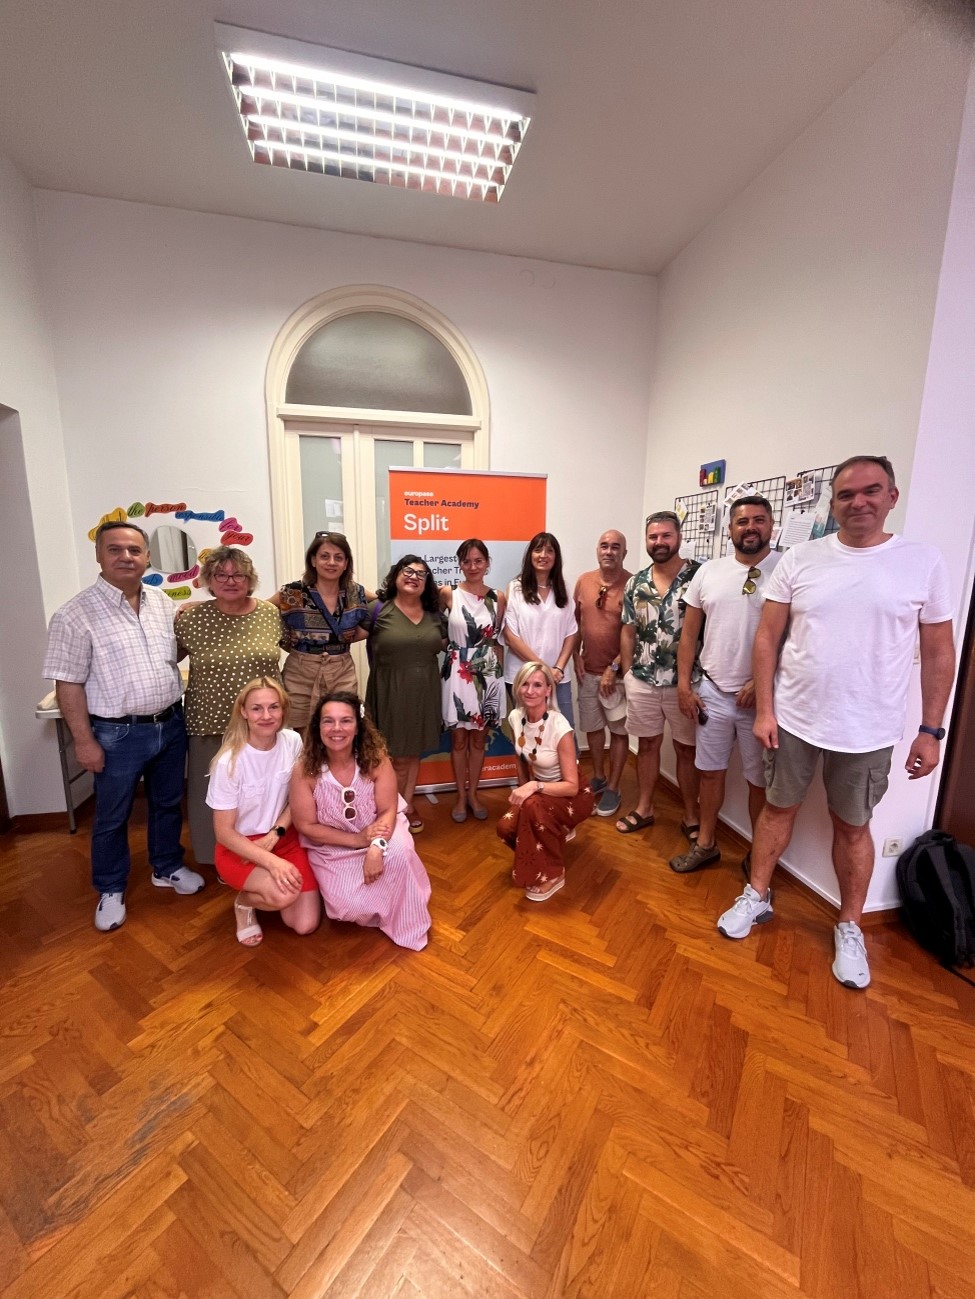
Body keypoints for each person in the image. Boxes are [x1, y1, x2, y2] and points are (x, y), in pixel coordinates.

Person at [716, 456, 955, 990]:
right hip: (794, 719)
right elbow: (767, 638)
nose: (858, 502)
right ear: (833, 502)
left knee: (853, 827)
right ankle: (756, 894)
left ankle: (850, 926)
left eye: (871, 491)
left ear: (892, 497)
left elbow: (940, 652)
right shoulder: (802, 559)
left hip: (868, 728)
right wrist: (767, 710)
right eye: (846, 494)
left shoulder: (922, 562)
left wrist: (931, 730)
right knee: (778, 809)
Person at [42, 521, 204, 931]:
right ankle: (111, 887)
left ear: (147, 556)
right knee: (112, 815)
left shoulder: (162, 603)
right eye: (115, 549)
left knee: (168, 803)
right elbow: (68, 683)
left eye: (134, 550)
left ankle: (166, 866)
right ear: (99, 556)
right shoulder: (74, 615)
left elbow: (172, 655)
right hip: (117, 734)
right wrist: (84, 741)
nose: (126, 557)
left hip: (170, 723)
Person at [671, 496, 781, 873]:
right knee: (709, 772)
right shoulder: (709, 572)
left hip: (760, 701)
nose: (750, 527)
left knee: (758, 783)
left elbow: (795, 639)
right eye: (742, 521)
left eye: (759, 520)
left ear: (770, 525)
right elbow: (688, 636)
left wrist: (761, 682)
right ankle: (705, 843)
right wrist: (684, 686)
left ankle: (758, 856)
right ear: (730, 528)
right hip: (712, 693)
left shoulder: (786, 569)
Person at [291, 693, 432, 950]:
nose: (336, 728)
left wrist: (376, 847)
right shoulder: (304, 770)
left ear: (357, 727)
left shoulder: (377, 760)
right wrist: (356, 840)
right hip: (332, 846)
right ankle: (371, 903)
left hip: (381, 830)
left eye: (345, 721)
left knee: (398, 854)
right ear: (317, 727)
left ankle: (404, 913)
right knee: (347, 907)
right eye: (328, 721)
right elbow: (306, 826)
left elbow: (388, 810)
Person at [175, 546, 282, 868]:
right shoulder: (191, 619)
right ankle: (218, 859)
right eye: (221, 574)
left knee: (266, 791)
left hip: (263, 722)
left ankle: (268, 851)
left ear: (250, 579)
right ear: (209, 579)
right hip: (209, 722)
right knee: (211, 794)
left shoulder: (270, 614)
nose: (230, 581)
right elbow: (165, 658)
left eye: (238, 575)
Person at [206, 678, 321, 946]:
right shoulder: (228, 762)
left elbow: (298, 798)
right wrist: (272, 862)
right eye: (257, 708)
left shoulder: (292, 741)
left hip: (284, 838)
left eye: (274, 707)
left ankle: (269, 891)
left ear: (283, 710)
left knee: (304, 925)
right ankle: (245, 903)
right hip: (241, 847)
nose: (266, 716)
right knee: (283, 896)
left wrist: (275, 833)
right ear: (244, 712)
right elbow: (224, 833)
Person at [617, 512, 701, 837]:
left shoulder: (699, 577)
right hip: (643, 680)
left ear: (678, 537)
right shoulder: (636, 583)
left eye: (666, 535)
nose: (659, 542)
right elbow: (627, 631)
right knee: (648, 745)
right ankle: (645, 807)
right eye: (653, 537)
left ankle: (691, 814)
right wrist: (627, 674)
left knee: (686, 750)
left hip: (686, 684)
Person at [497, 661, 594, 901]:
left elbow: (571, 786)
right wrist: (523, 787)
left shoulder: (559, 726)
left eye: (538, 685)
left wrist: (534, 786)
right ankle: (552, 838)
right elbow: (521, 757)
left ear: (548, 690)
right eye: (525, 684)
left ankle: (554, 873)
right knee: (505, 827)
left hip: (572, 794)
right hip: (541, 792)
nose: (530, 691)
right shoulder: (516, 717)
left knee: (532, 807)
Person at [364, 555, 445, 834]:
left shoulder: (434, 614)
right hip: (390, 691)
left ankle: (406, 805)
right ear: (396, 575)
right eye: (408, 571)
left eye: (421, 574)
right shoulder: (377, 609)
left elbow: (447, 643)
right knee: (396, 756)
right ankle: (391, 811)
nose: (414, 577)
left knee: (413, 753)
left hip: (425, 692)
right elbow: (347, 636)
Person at [269, 531, 372, 730]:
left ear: (346, 563)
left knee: (341, 729)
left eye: (338, 557)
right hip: (300, 671)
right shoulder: (293, 592)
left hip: (341, 670)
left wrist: (357, 633)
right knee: (304, 734)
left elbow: (383, 603)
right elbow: (257, 609)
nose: (331, 562)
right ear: (313, 560)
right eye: (325, 556)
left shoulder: (355, 592)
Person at [439, 538, 506, 822]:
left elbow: (499, 639)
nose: (472, 566)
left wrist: (499, 677)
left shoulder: (498, 598)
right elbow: (432, 626)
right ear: (460, 564)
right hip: (457, 671)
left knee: (478, 740)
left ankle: (474, 794)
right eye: (466, 561)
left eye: (478, 561)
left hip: (487, 672)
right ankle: (460, 796)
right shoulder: (448, 593)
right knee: (458, 740)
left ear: (487, 563)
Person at [573, 529, 632, 819]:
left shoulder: (633, 584)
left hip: (617, 677)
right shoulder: (584, 581)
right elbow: (574, 624)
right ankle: (598, 776)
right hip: (588, 672)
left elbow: (637, 635)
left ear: (624, 553)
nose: (609, 551)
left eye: (615, 547)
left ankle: (614, 787)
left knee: (619, 732)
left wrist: (614, 667)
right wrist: (575, 655)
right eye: (604, 546)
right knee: (593, 729)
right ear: (597, 550)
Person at [503, 532, 578, 724]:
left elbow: (571, 633)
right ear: (530, 555)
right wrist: (544, 669)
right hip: (523, 677)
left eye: (549, 551)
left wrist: (558, 668)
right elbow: (511, 637)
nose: (543, 555)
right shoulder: (516, 588)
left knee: (564, 730)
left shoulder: (562, 590)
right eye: (538, 550)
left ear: (556, 557)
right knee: (528, 733)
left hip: (558, 677)